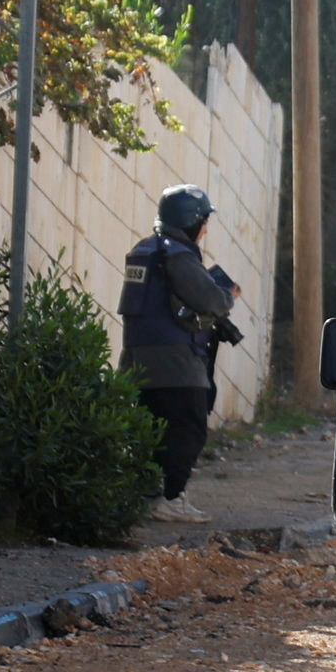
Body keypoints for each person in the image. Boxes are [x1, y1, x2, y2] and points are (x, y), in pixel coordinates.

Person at [117, 184, 240, 524]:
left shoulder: (146, 250)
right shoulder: (179, 256)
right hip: (177, 362)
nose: (205, 228)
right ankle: (171, 498)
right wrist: (228, 295)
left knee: (151, 431)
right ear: (191, 221)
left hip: (137, 359)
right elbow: (211, 301)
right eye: (203, 220)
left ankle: (148, 496)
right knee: (188, 429)